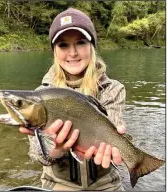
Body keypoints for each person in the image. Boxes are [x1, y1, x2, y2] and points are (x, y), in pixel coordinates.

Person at [20, 8, 126, 191]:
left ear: (92, 46)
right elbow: (40, 157)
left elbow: (113, 138)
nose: (73, 52)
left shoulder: (113, 89)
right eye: (63, 45)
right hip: (59, 184)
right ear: (54, 50)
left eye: (80, 42)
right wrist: (58, 149)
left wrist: (118, 144)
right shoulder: (39, 96)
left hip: (106, 184)